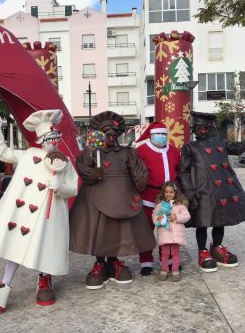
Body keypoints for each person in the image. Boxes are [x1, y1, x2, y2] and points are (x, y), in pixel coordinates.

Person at [0, 106, 78, 312]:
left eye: (55, 136)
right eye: (48, 138)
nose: (53, 141)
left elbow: (73, 187)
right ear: (40, 140)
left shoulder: (64, 163)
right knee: (16, 246)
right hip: (23, 215)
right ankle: (4, 285)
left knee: (46, 246)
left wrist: (61, 187)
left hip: (50, 214)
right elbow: (3, 152)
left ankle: (45, 280)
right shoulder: (28, 155)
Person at [69, 111, 156, 290]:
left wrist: (140, 178)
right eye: (106, 134)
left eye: (114, 134)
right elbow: (81, 166)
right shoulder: (92, 152)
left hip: (123, 197)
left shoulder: (127, 152)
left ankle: (114, 261)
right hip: (96, 197)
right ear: (99, 135)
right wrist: (93, 173)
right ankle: (100, 263)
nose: (110, 138)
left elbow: (138, 171)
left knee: (119, 231)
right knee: (100, 231)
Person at [179, 111, 245, 272]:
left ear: (210, 128)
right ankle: (203, 252)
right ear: (194, 129)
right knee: (203, 222)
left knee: (220, 220)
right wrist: (188, 191)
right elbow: (183, 171)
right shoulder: (189, 147)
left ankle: (216, 248)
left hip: (223, 190)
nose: (202, 130)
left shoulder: (220, 141)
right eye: (199, 128)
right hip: (202, 191)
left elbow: (238, 148)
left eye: (205, 127)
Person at [136, 121, 181, 276]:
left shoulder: (174, 151)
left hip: (169, 198)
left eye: (163, 134)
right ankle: (146, 261)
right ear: (151, 136)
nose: (161, 137)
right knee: (146, 230)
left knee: (167, 230)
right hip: (148, 196)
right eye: (157, 135)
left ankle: (167, 260)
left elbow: (179, 172)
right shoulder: (141, 150)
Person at [152, 181, 190, 282]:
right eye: (166, 192)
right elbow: (154, 215)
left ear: (176, 193)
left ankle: (175, 271)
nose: (168, 194)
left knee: (175, 253)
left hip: (176, 235)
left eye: (171, 192)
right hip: (164, 233)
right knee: (164, 253)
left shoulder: (180, 205)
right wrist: (158, 218)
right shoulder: (160, 205)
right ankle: (164, 270)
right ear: (163, 192)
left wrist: (177, 217)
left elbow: (187, 216)